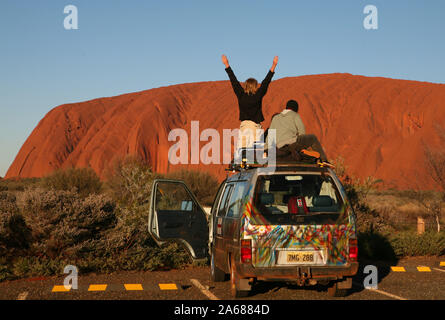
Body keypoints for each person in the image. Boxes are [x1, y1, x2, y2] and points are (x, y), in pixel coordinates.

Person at [222, 54, 278, 149]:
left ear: (245, 86)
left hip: (244, 128)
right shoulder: (258, 95)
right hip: (256, 128)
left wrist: (227, 65)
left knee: (242, 156)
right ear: (256, 86)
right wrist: (273, 66)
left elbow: (234, 81)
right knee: (256, 157)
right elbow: (266, 82)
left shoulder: (241, 94)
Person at [267, 99, 331, 164]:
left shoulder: (276, 118)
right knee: (312, 138)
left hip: (279, 148)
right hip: (291, 145)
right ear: (296, 109)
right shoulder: (295, 115)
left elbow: (270, 136)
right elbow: (302, 133)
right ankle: (324, 160)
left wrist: (266, 150)